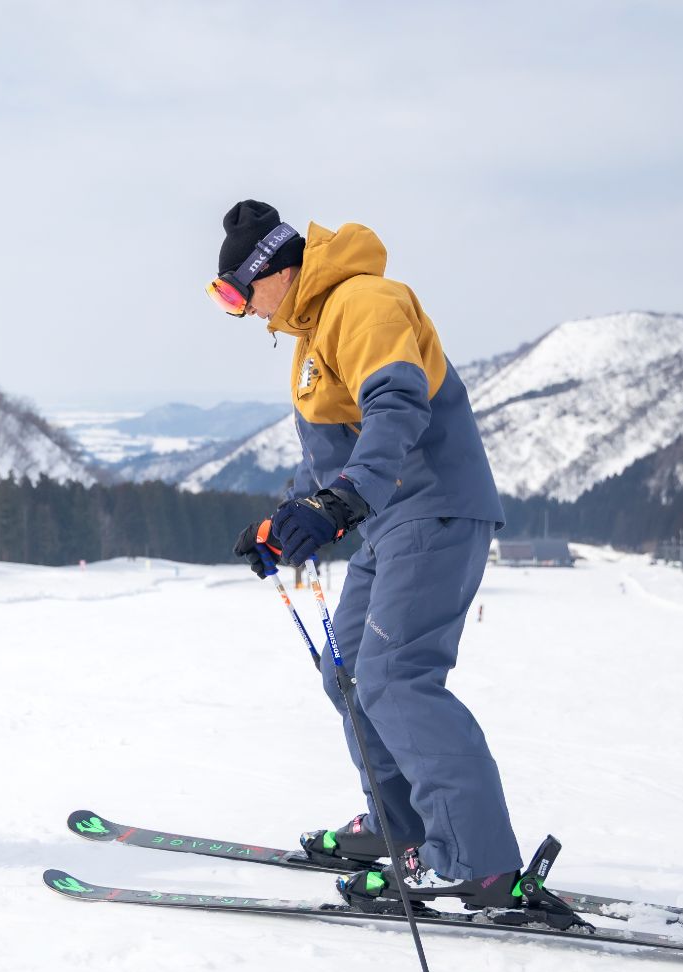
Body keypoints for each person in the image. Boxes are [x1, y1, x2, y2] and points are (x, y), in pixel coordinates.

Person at [214, 200, 521, 910]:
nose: (241, 311)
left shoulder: (364, 302)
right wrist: (287, 520)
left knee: (395, 678)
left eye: (236, 293)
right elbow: (331, 457)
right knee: (348, 672)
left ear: (273, 270)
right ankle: (401, 829)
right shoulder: (313, 335)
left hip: (434, 510)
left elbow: (397, 405)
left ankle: (476, 863)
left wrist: (343, 500)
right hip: (390, 524)